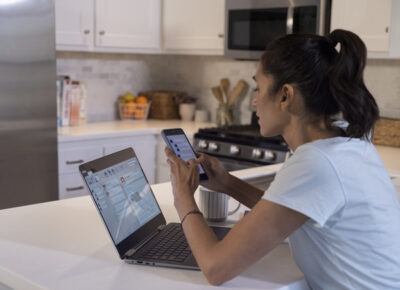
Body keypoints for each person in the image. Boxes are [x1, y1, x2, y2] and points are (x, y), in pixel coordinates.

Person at [165, 29, 400, 289]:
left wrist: (182, 196)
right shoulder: (346, 141)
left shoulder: (318, 163)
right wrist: (226, 183)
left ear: (285, 96)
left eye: (259, 88)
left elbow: (215, 268)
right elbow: (287, 211)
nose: (254, 101)